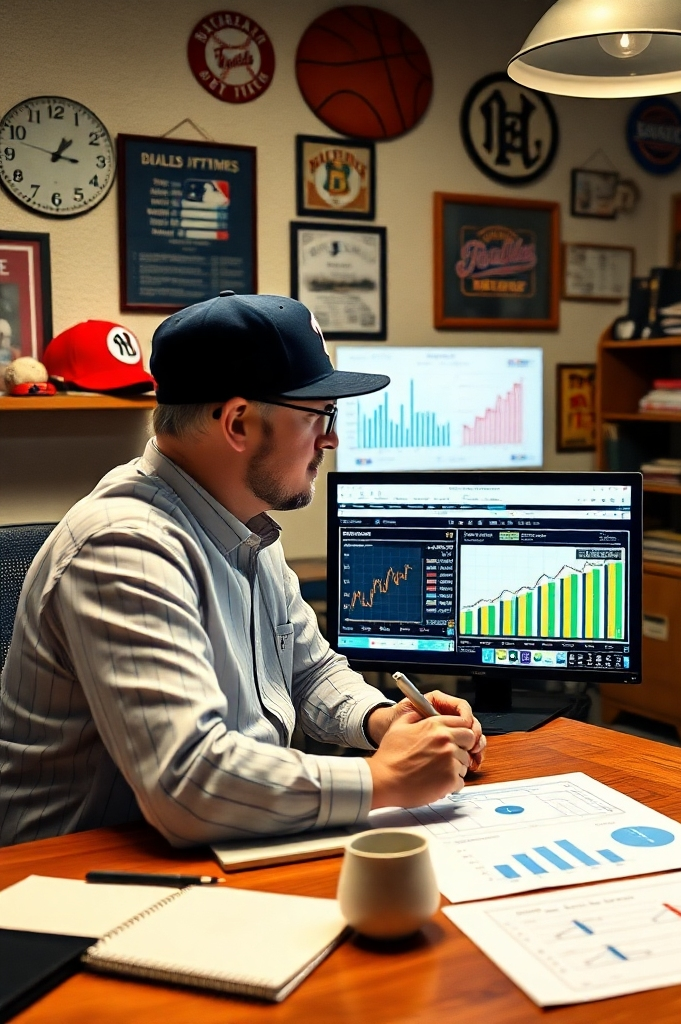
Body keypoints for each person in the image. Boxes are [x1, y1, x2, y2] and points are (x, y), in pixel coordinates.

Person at [0, 292, 485, 848]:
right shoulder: (124, 546)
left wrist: (383, 719)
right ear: (237, 422)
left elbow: (308, 671)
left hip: (213, 845)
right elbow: (188, 783)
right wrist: (383, 778)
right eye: (319, 416)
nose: (331, 438)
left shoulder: (245, 523)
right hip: (77, 878)